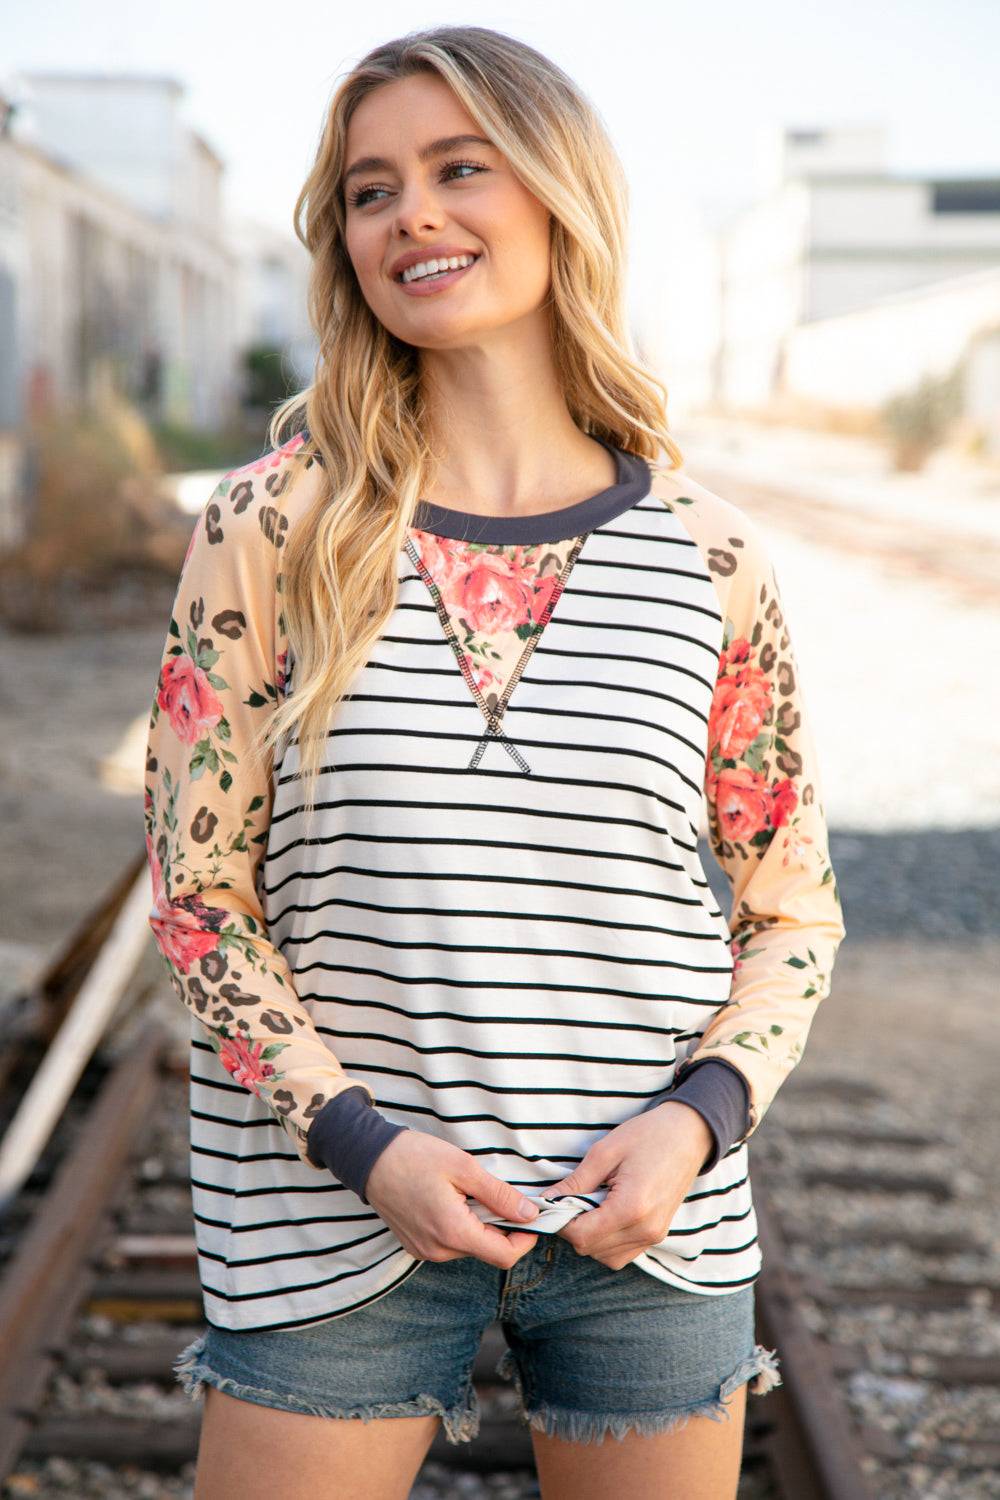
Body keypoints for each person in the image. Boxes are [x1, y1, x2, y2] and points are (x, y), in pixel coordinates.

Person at [145, 26, 844, 1500]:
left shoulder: (713, 560)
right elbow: (200, 895)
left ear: (555, 192)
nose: (413, 216)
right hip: (332, 1217)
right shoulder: (273, 528)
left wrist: (694, 1123)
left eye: (460, 168)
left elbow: (793, 913)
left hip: (647, 1232)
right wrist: (359, 1142)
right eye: (371, 189)